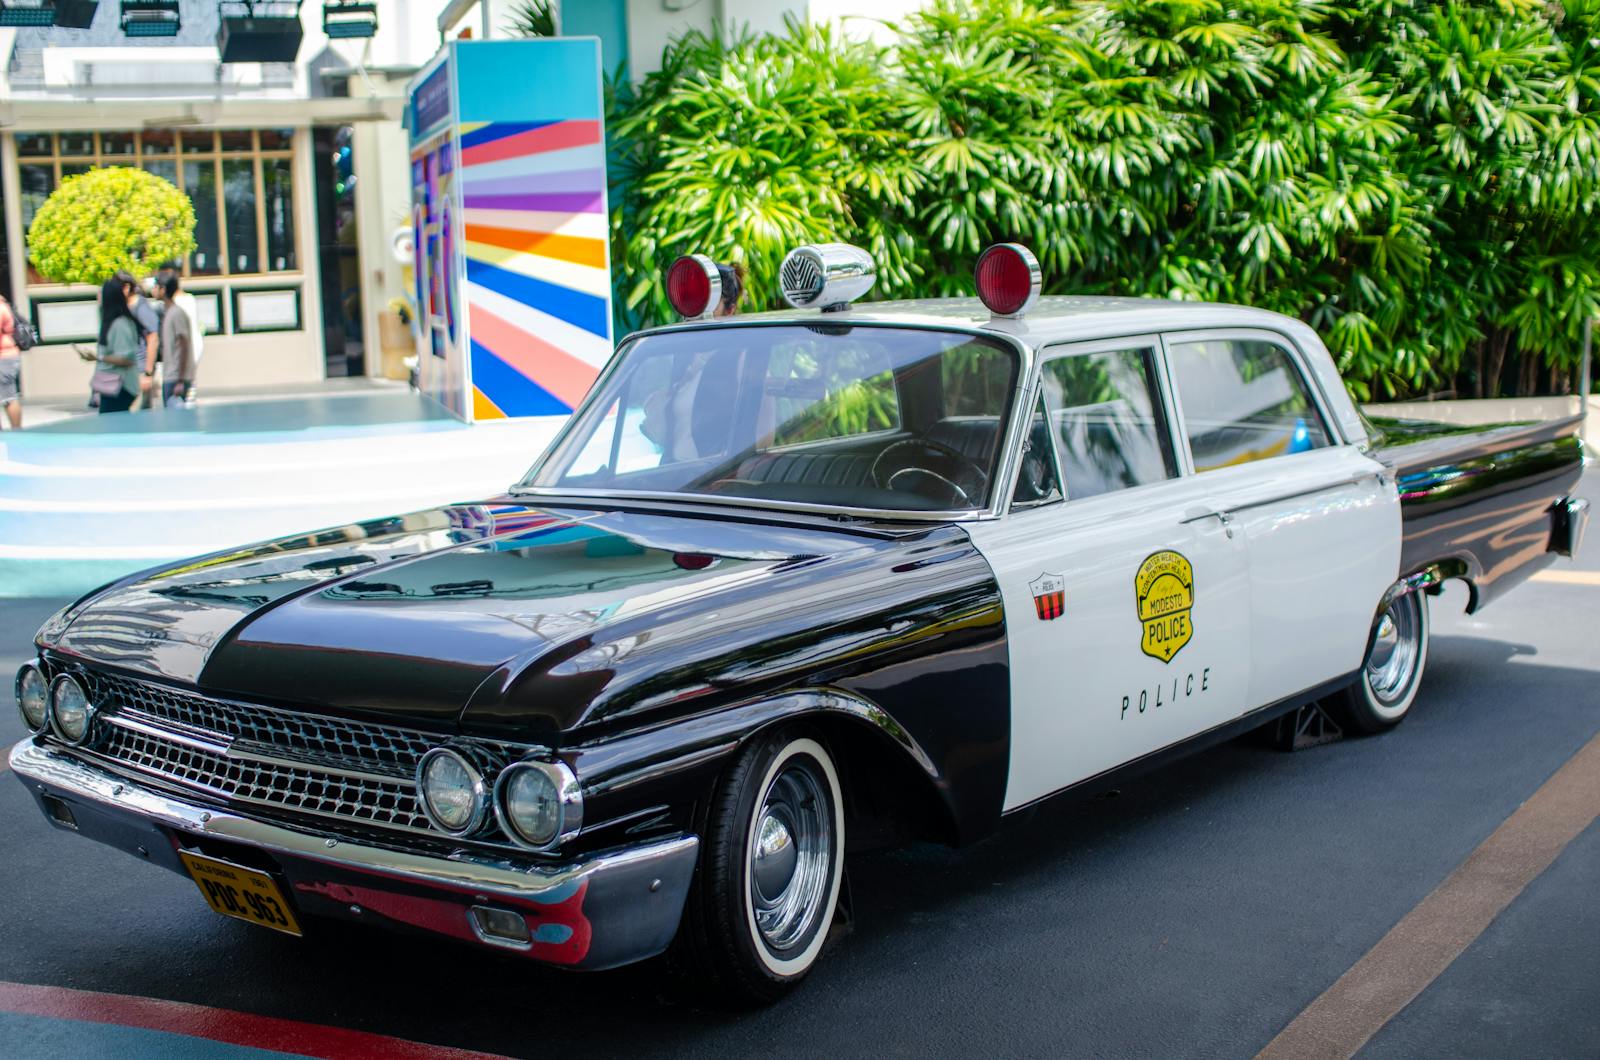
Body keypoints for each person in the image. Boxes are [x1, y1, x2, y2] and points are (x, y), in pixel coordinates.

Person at [96, 277, 143, 414]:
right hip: (110, 384)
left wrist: (99, 357)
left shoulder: (121, 324)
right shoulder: (111, 323)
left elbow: (126, 358)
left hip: (121, 385)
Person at [158, 260, 202, 404]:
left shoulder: (176, 313)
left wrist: (181, 380)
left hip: (175, 376)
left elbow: (184, 344)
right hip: (170, 375)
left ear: (163, 289)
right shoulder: (168, 312)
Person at [115, 270, 160, 408]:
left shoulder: (140, 307)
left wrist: (147, 372)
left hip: (139, 372)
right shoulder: (125, 307)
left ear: (127, 287)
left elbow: (153, 337)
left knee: (138, 418)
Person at [0, 292, 21, 429]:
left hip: (3, 357)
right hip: (8, 356)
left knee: (8, 398)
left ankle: (16, 432)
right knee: (9, 397)